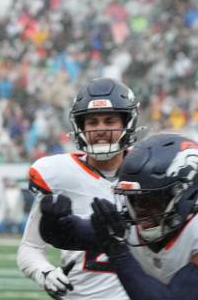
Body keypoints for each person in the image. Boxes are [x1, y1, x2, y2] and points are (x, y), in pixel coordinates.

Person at [39, 133, 198, 299]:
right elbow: (71, 236)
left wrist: (117, 249)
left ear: (186, 193)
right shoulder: (138, 218)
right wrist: (53, 222)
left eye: (152, 198)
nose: (141, 208)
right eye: (134, 198)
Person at [17, 78, 139, 299]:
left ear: (126, 123)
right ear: (80, 127)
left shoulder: (147, 174)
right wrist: (44, 272)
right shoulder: (60, 174)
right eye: (92, 122)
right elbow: (30, 249)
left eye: (110, 120)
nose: (100, 129)